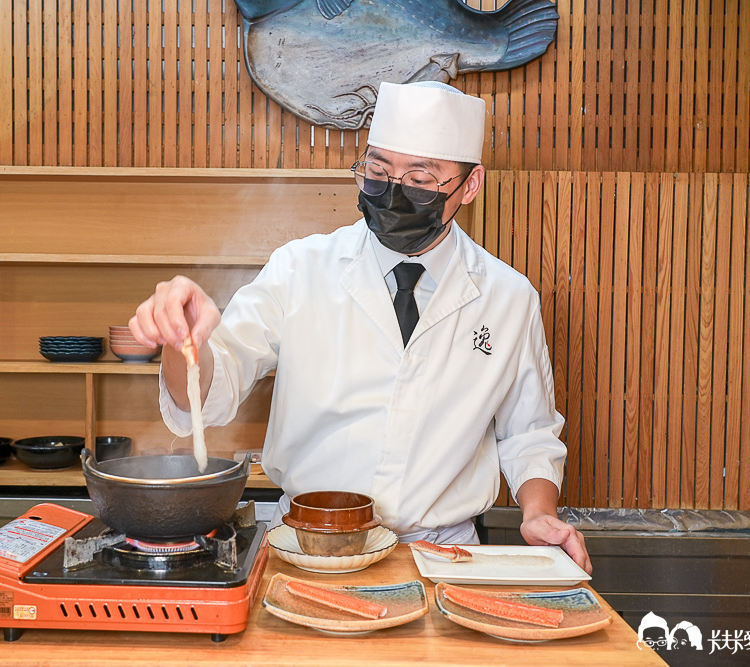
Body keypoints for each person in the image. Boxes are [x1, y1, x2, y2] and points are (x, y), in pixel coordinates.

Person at [129, 81, 591, 572]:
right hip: (307, 547)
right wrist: (183, 343)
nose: (394, 192)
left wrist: (539, 513)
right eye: (377, 170)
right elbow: (205, 395)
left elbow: (530, 434)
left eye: (420, 178)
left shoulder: (509, 297)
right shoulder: (299, 269)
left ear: (470, 185)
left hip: (442, 556)